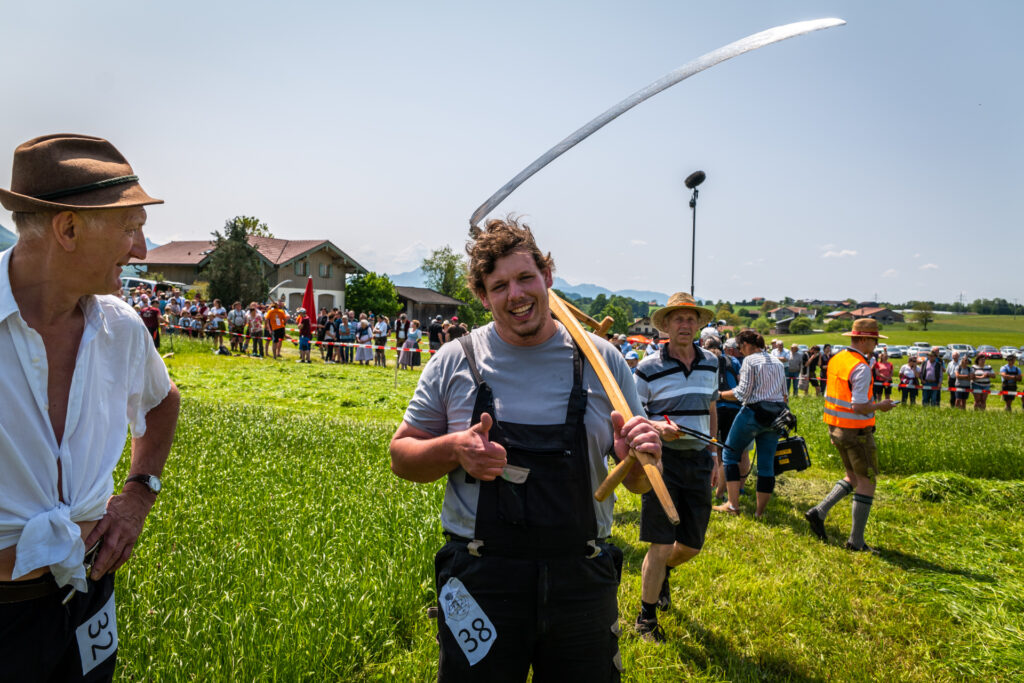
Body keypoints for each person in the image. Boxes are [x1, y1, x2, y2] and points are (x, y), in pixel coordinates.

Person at [389, 216, 661, 681]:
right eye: (499, 286)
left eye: (525, 278)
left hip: (581, 577)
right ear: (483, 296)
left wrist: (638, 458)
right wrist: (455, 448)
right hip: (480, 577)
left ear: (547, 277)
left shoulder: (602, 361)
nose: (515, 294)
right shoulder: (455, 360)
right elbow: (401, 457)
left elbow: (638, 483)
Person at [0, 134, 180, 680]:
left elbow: (163, 401)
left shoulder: (121, 327)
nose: (141, 249)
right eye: (130, 228)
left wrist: (138, 496)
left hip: (85, 595)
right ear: (69, 229)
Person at [632, 293, 719, 642]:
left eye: (691, 318)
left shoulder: (711, 362)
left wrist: (714, 455)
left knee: (692, 545)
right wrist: (658, 427)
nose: (685, 325)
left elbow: (711, 408)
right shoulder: (647, 367)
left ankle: (663, 574)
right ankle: (646, 617)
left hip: (699, 460)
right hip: (661, 462)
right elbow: (634, 415)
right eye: (678, 319)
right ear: (666, 325)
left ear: (698, 324)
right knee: (660, 542)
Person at [804, 318, 895, 553]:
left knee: (852, 477)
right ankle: (856, 542)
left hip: (836, 427)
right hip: (857, 432)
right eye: (874, 340)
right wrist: (881, 406)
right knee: (867, 482)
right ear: (863, 339)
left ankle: (819, 512)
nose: (876, 344)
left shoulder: (837, 359)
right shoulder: (861, 367)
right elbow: (858, 406)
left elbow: (832, 394)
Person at [712, 330, 788, 519]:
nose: (740, 351)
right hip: (776, 416)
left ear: (745, 345)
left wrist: (719, 395)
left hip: (752, 413)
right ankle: (759, 512)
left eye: (739, 347)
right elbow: (785, 395)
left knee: (729, 454)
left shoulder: (750, 361)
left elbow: (742, 393)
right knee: (766, 465)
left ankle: (732, 504)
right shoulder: (778, 362)